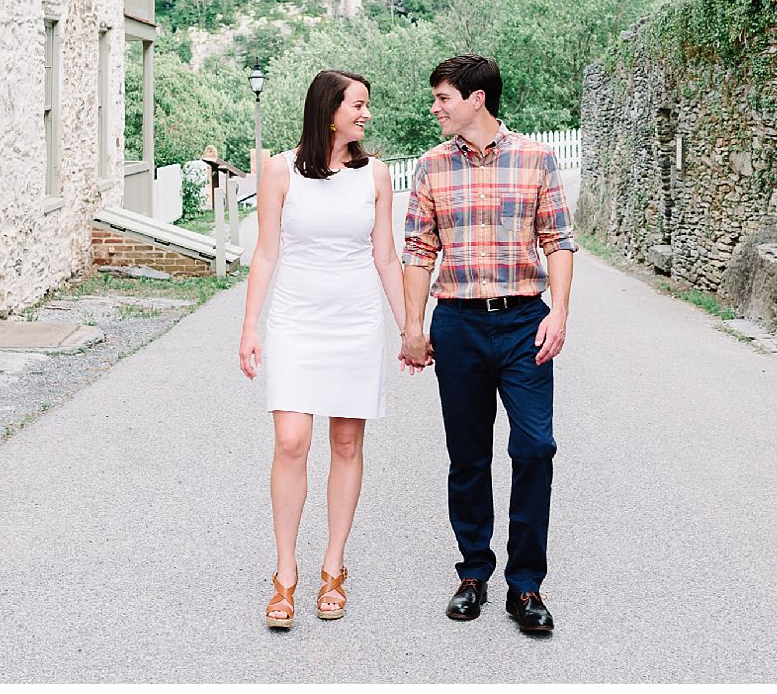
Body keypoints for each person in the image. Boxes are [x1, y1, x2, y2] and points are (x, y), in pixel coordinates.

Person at [399, 53, 576, 635]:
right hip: (458, 324)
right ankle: (473, 572)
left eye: (443, 98)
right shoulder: (431, 167)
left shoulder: (535, 158)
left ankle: (526, 585)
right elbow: (419, 251)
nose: (435, 108)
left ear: (476, 99)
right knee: (468, 455)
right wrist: (413, 327)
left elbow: (558, 240)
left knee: (535, 448)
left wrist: (560, 313)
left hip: (525, 320)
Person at [238, 69, 413, 630]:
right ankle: (285, 572)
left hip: (356, 323)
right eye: (358, 105)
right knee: (291, 441)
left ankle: (333, 567)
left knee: (345, 441)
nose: (366, 114)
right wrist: (250, 326)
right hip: (296, 321)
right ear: (329, 109)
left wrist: (410, 326)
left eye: (366, 105)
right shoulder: (280, 170)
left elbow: (385, 256)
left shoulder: (375, 175)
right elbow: (266, 252)